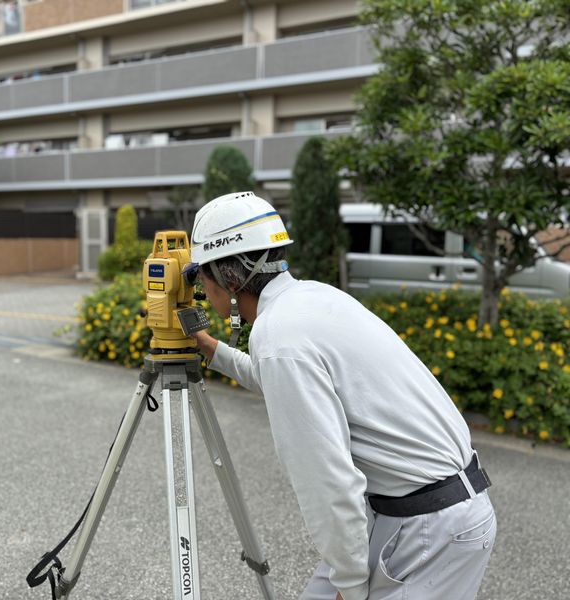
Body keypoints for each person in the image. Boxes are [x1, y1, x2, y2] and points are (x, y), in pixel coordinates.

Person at [183, 191, 496, 600]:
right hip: (420, 506)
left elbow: (329, 482)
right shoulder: (312, 299)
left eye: (199, 276)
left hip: (433, 531)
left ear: (226, 277)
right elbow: (284, 378)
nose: (200, 289)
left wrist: (349, 586)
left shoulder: (281, 339)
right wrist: (212, 349)